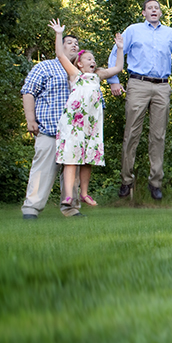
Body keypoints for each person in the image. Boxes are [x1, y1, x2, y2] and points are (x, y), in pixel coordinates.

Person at [108, 0, 172, 200]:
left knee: (158, 135)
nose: (154, 10)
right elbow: (116, 52)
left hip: (162, 86)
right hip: (138, 84)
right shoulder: (133, 30)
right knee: (131, 133)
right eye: (150, 8)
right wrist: (113, 80)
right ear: (144, 13)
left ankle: (155, 182)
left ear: (160, 13)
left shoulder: (171, 34)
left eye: (157, 8)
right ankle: (126, 180)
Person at [47, 19, 124, 212]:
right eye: (88, 59)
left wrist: (120, 48)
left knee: (88, 158)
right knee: (71, 159)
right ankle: (68, 195)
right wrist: (58, 34)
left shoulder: (97, 76)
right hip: (74, 123)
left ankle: (84, 192)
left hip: (92, 124)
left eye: (93, 59)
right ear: (79, 63)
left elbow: (118, 68)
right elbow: (60, 54)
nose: (92, 61)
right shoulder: (75, 74)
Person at [20, 30, 82, 219]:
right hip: (49, 130)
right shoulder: (45, 67)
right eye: (69, 42)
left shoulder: (82, 72)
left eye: (76, 43)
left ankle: (71, 209)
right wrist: (30, 120)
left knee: (72, 176)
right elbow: (28, 91)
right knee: (42, 171)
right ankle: (31, 209)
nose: (74, 45)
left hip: (74, 134)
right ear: (60, 46)